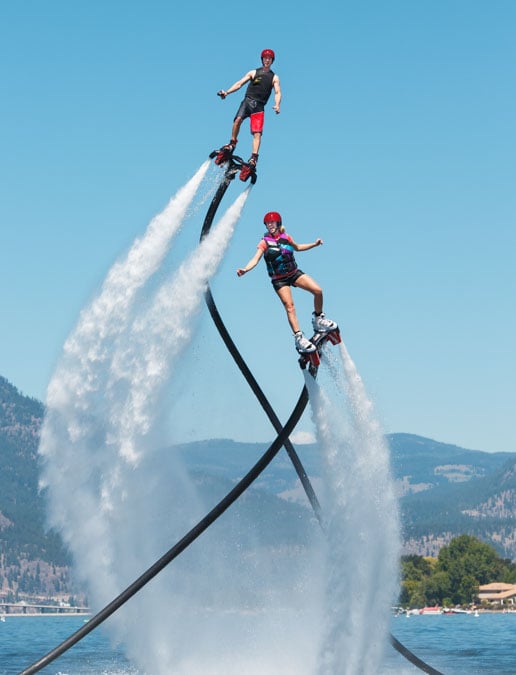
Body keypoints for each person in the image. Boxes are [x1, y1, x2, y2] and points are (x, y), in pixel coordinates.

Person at [237, 211, 337, 353]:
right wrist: (245, 269)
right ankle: (299, 338)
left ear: (278, 224)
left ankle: (318, 319)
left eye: (272, 223)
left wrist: (315, 244)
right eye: (268, 223)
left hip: (294, 273)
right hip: (279, 280)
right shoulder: (264, 242)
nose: (270, 225)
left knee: (318, 291)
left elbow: (298, 247)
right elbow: (255, 259)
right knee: (290, 306)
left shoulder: (286, 237)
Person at [216, 49, 281, 170]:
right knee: (237, 120)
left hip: (259, 107)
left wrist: (277, 104)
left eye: (269, 58)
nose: (267, 60)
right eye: (265, 58)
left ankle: (254, 158)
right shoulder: (253, 72)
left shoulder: (274, 77)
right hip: (247, 102)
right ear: (262, 59)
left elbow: (277, 92)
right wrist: (227, 92)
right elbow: (239, 83)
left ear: (272, 61)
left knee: (257, 133)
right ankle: (232, 143)